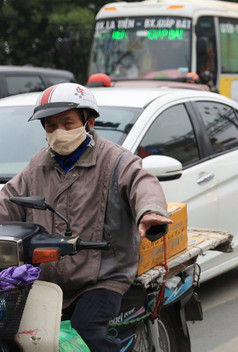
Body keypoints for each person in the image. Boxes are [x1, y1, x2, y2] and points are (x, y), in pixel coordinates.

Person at [0, 83, 172, 351]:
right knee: (17, 333)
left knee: (86, 332)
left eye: (67, 123)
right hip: (47, 279)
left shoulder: (116, 160)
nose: (59, 132)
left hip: (103, 278)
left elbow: (142, 184)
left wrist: (150, 212)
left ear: (88, 122)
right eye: (50, 125)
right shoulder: (38, 164)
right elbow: (8, 201)